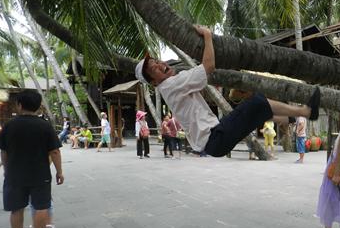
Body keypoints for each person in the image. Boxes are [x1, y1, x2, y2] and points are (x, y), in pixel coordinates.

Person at [134, 25, 321, 158]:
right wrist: (207, 35)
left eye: (157, 61)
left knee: (257, 111)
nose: (160, 65)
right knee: (256, 102)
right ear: (154, 81)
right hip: (215, 138)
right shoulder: (172, 84)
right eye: (154, 68)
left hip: (214, 140)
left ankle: (290, 119)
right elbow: (209, 65)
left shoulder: (170, 86)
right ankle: (305, 111)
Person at [0, 89, 62, 228]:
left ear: (19, 105)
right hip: (40, 174)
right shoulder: (45, 126)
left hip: (14, 175)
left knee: (16, 209)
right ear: (39, 106)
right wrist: (59, 172)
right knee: (41, 207)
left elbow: (3, 152)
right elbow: (55, 152)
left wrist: (6, 169)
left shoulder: (9, 126)